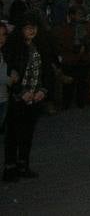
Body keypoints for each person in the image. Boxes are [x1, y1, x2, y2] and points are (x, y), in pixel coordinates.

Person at [3, 16, 55, 181]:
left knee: (27, 133)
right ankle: (10, 167)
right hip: (18, 97)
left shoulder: (39, 47)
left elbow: (47, 71)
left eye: (34, 27)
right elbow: (9, 73)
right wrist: (20, 91)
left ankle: (23, 163)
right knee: (12, 133)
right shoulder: (14, 48)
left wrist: (43, 90)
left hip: (35, 95)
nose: (31, 31)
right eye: (27, 28)